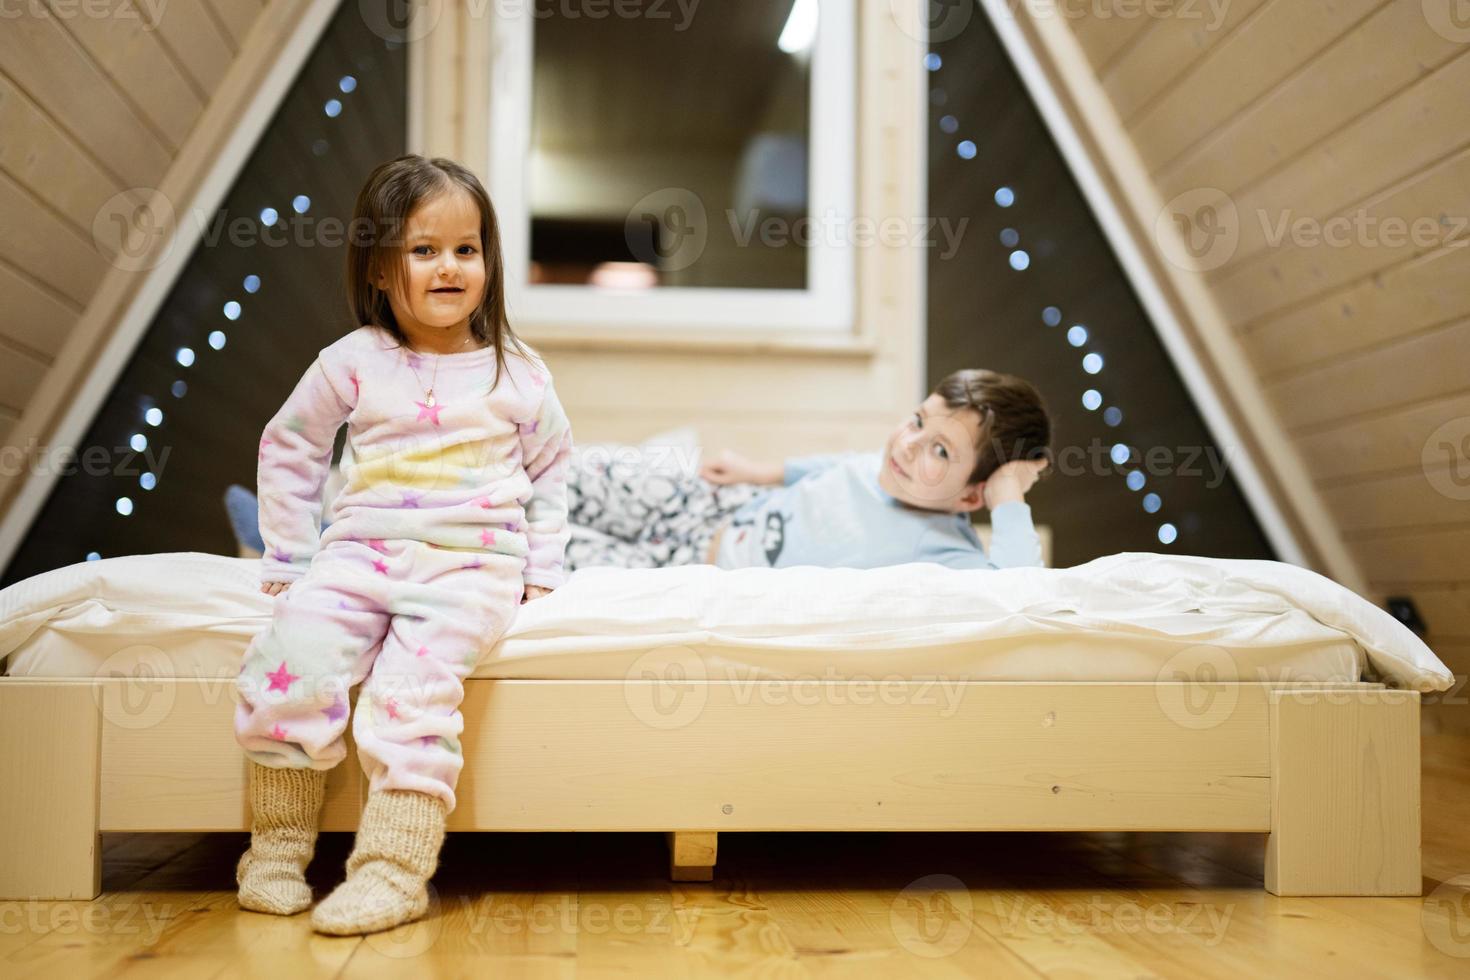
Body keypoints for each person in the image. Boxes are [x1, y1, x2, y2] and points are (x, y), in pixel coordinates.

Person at [233, 154, 572, 936]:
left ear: (489, 261)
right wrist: (287, 556)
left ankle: (392, 870)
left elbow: (553, 468)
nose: (450, 266)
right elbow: (290, 447)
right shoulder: (352, 361)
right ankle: (277, 850)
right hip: (357, 554)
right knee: (295, 661)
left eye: (467, 248)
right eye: (424, 250)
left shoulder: (517, 373)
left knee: (411, 697)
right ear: (381, 269)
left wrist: (543, 568)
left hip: (470, 566)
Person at [565, 369, 1051, 572]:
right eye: (917, 421)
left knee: (549, 550)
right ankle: (492, 473)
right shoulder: (886, 470)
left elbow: (1018, 601)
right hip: (715, 505)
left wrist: (1008, 495)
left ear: (971, 496)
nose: (907, 444)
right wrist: (757, 472)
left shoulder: (939, 551)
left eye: (941, 452)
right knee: (572, 470)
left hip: (694, 569)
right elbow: (836, 467)